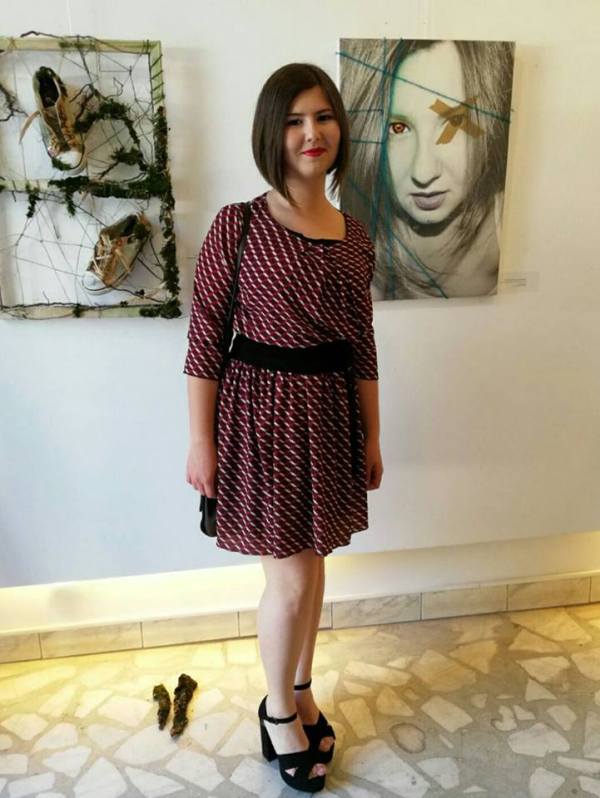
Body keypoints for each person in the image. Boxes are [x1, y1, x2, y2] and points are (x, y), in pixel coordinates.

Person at [184, 62, 383, 792]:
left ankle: (299, 689)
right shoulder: (238, 224)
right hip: (261, 418)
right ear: (273, 132)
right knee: (291, 579)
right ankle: (275, 714)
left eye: (323, 117)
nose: (311, 133)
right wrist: (200, 440)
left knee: (315, 565)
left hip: (329, 415)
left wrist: (372, 434)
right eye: (295, 120)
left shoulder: (354, 235)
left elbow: (362, 343)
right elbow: (205, 338)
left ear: (340, 128)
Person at [340, 38, 514, 299]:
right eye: (398, 128)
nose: (423, 172)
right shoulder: (360, 254)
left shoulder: (517, 233)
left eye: (454, 122)